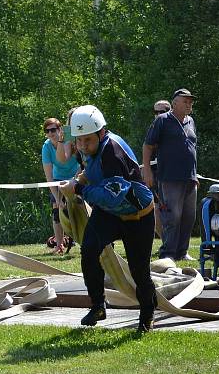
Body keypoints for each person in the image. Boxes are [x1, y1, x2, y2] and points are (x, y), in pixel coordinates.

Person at [60, 105, 157, 333]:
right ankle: (97, 305)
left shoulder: (113, 151)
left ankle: (147, 315)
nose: (83, 146)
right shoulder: (89, 147)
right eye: (79, 141)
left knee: (139, 271)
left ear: (101, 133)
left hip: (137, 217)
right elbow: (91, 170)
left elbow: (111, 196)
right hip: (111, 214)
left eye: (87, 141)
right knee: (89, 249)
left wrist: (78, 190)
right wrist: (80, 179)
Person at [142, 89, 198, 261]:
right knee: (172, 216)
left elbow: (192, 149)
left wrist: (195, 175)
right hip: (169, 177)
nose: (189, 104)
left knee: (189, 216)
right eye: (185, 101)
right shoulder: (162, 120)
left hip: (189, 177)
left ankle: (182, 252)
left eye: (190, 101)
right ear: (174, 103)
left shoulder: (191, 121)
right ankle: (168, 253)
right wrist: (147, 170)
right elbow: (148, 146)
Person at [41, 117, 80, 254]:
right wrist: (57, 199)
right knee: (57, 211)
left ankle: (82, 241)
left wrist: (75, 180)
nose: (50, 133)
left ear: (60, 130)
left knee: (79, 210)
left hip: (75, 177)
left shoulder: (70, 141)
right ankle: (59, 245)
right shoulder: (46, 147)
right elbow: (49, 176)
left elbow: (80, 163)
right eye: (47, 130)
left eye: (53, 130)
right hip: (57, 180)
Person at [145, 100, 172, 240]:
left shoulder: (177, 126)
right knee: (156, 208)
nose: (158, 115)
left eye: (161, 112)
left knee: (174, 210)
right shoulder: (154, 128)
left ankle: (174, 243)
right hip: (156, 173)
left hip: (173, 174)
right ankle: (165, 240)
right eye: (155, 112)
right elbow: (147, 149)